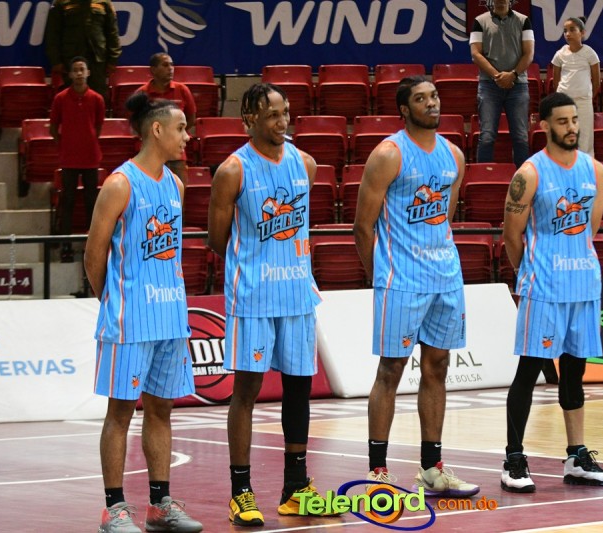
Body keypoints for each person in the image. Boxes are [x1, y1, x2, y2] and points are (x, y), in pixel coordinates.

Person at [208, 83, 329, 526]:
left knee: (299, 388)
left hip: (297, 292)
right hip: (254, 295)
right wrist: (256, 261)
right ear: (250, 119)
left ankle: (296, 487)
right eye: (273, 115)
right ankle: (240, 492)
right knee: (247, 390)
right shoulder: (233, 171)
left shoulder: (306, 164)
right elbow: (216, 239)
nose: (283, 122)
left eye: (286, 113)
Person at [354, 75, 479, 498]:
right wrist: (380, 276)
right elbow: (363, 226)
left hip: (445, 276)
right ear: (404, 109)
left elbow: (445, 215)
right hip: (401, 279)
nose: (432, 103)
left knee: (438, 367)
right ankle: (377, 471)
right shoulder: (388, 154)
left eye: (435, 96)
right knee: (390, 370)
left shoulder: (454, 155)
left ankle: (432, 468)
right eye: (421, 99)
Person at [84, 92, 202, 533]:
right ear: (157, 130)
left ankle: (160, 505)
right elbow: (93, 255)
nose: (187, 137)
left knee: (161, 411)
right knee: (120, 413)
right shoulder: (120, 184)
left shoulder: (176, 185)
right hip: (130, 320)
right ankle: (114, 509)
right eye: (181, 128)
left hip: (170, 317)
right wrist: (115, 300)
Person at [500, 91, 603, 493]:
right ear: (545, 125)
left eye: (575, 120)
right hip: (544, 287)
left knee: (575, 371)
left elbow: (590, 230)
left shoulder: (595, 170)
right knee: (529, 371)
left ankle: (576, 455)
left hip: (583, 284)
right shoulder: (530, 174)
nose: (571, 128)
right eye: (563, 121)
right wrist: (533, 271)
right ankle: (514, 457)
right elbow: (511, 235)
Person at [50, 56, 105, 262]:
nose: (79, 73)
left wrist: (88, 141)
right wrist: (65, 144)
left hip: (91, 158)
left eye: (82, 69)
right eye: (75, 70)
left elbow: (98, 126)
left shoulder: (97, 99)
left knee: (92, 203)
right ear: (71, 74)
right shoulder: (60, 98)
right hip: (69, 160)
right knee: (68, 202)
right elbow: (53, 127)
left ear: (88, 73)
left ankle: (91, 247)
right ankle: (66, 246)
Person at [470, 0, 534, 168]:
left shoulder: (524, 20)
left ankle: (523, 178)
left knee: (521, 137)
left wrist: (513, 75)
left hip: (518, 86)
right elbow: (476, 54)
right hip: (489, 86)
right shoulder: (479, 21)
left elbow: (529, 53)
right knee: (487, 136)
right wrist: (497, 76)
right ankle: (484, 177)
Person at [137, 53, 197, 186]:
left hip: (177, 155)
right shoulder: (142, 93)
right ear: (153, 70)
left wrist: (173, 134)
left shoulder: (182, 90)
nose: (170, 68)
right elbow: (136, 123)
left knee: (178, 193)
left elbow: (191, 119)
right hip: (151, 155)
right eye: (165, 65)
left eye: (171, 65)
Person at [44, 0, 121, 99]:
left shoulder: (104, 2)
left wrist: (113, 60)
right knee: (71, 97)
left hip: (98, 60)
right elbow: (52, 34)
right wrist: (56, 61)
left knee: (98, 96)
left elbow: (113, 33)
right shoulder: (60, 2)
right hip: (70, 60)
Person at [551, 16, 600, 157]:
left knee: (585, 137)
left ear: (582, 33)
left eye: (572, 30)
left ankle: (585, 165)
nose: (568, 34)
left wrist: (587, 96)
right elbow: (555, 80)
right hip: (564, 102)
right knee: (564, 134)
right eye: (565, 30)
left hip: (584, 101)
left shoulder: (589, 53)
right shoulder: (560, 54)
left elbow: (596, 81)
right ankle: (564, 164)